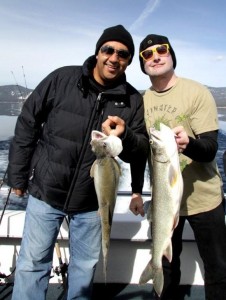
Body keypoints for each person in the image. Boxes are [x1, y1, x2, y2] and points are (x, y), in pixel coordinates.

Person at [7, 24, 149, 300]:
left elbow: (140, 150)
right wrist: (18, 174)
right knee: (32, 264)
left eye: (123, 54)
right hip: (46, 192)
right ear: (97, 52)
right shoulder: (62, 79)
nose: (114, 58)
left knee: (84, 267)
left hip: (91, 203)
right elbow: (27, 123)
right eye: (108, 50)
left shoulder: (132, 100)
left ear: (129, 61)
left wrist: (126, 135)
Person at [129, 33, 226, 300]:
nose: (155, 56)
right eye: (147, 54)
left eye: (161, 50)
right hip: (163, 202)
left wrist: (188, 144)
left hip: (205, 201)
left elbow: (210, 149)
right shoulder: (141, 101)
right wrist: (136, 191)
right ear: (142, 64)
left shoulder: (197, 92)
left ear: (171, 55)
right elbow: (139, 152)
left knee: (218, 268)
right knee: (168, 266)